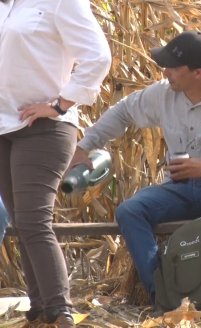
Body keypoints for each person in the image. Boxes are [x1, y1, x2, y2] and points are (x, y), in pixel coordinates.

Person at [68, 31, 201, 309]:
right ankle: (162, 295)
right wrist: (85, 146)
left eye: (172, 67)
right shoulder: (164, 94)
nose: (164, 71)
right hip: (178, 190)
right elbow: (123, 111)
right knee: (130, 211)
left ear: (198, 73)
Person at [0, 0, 112, 326]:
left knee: (34, 221)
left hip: (45, 129)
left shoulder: (61, 2)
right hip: (3, 127)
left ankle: (61, 311)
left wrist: (61, 105)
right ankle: (40, 309)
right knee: (22, 222)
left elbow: (98, 55)